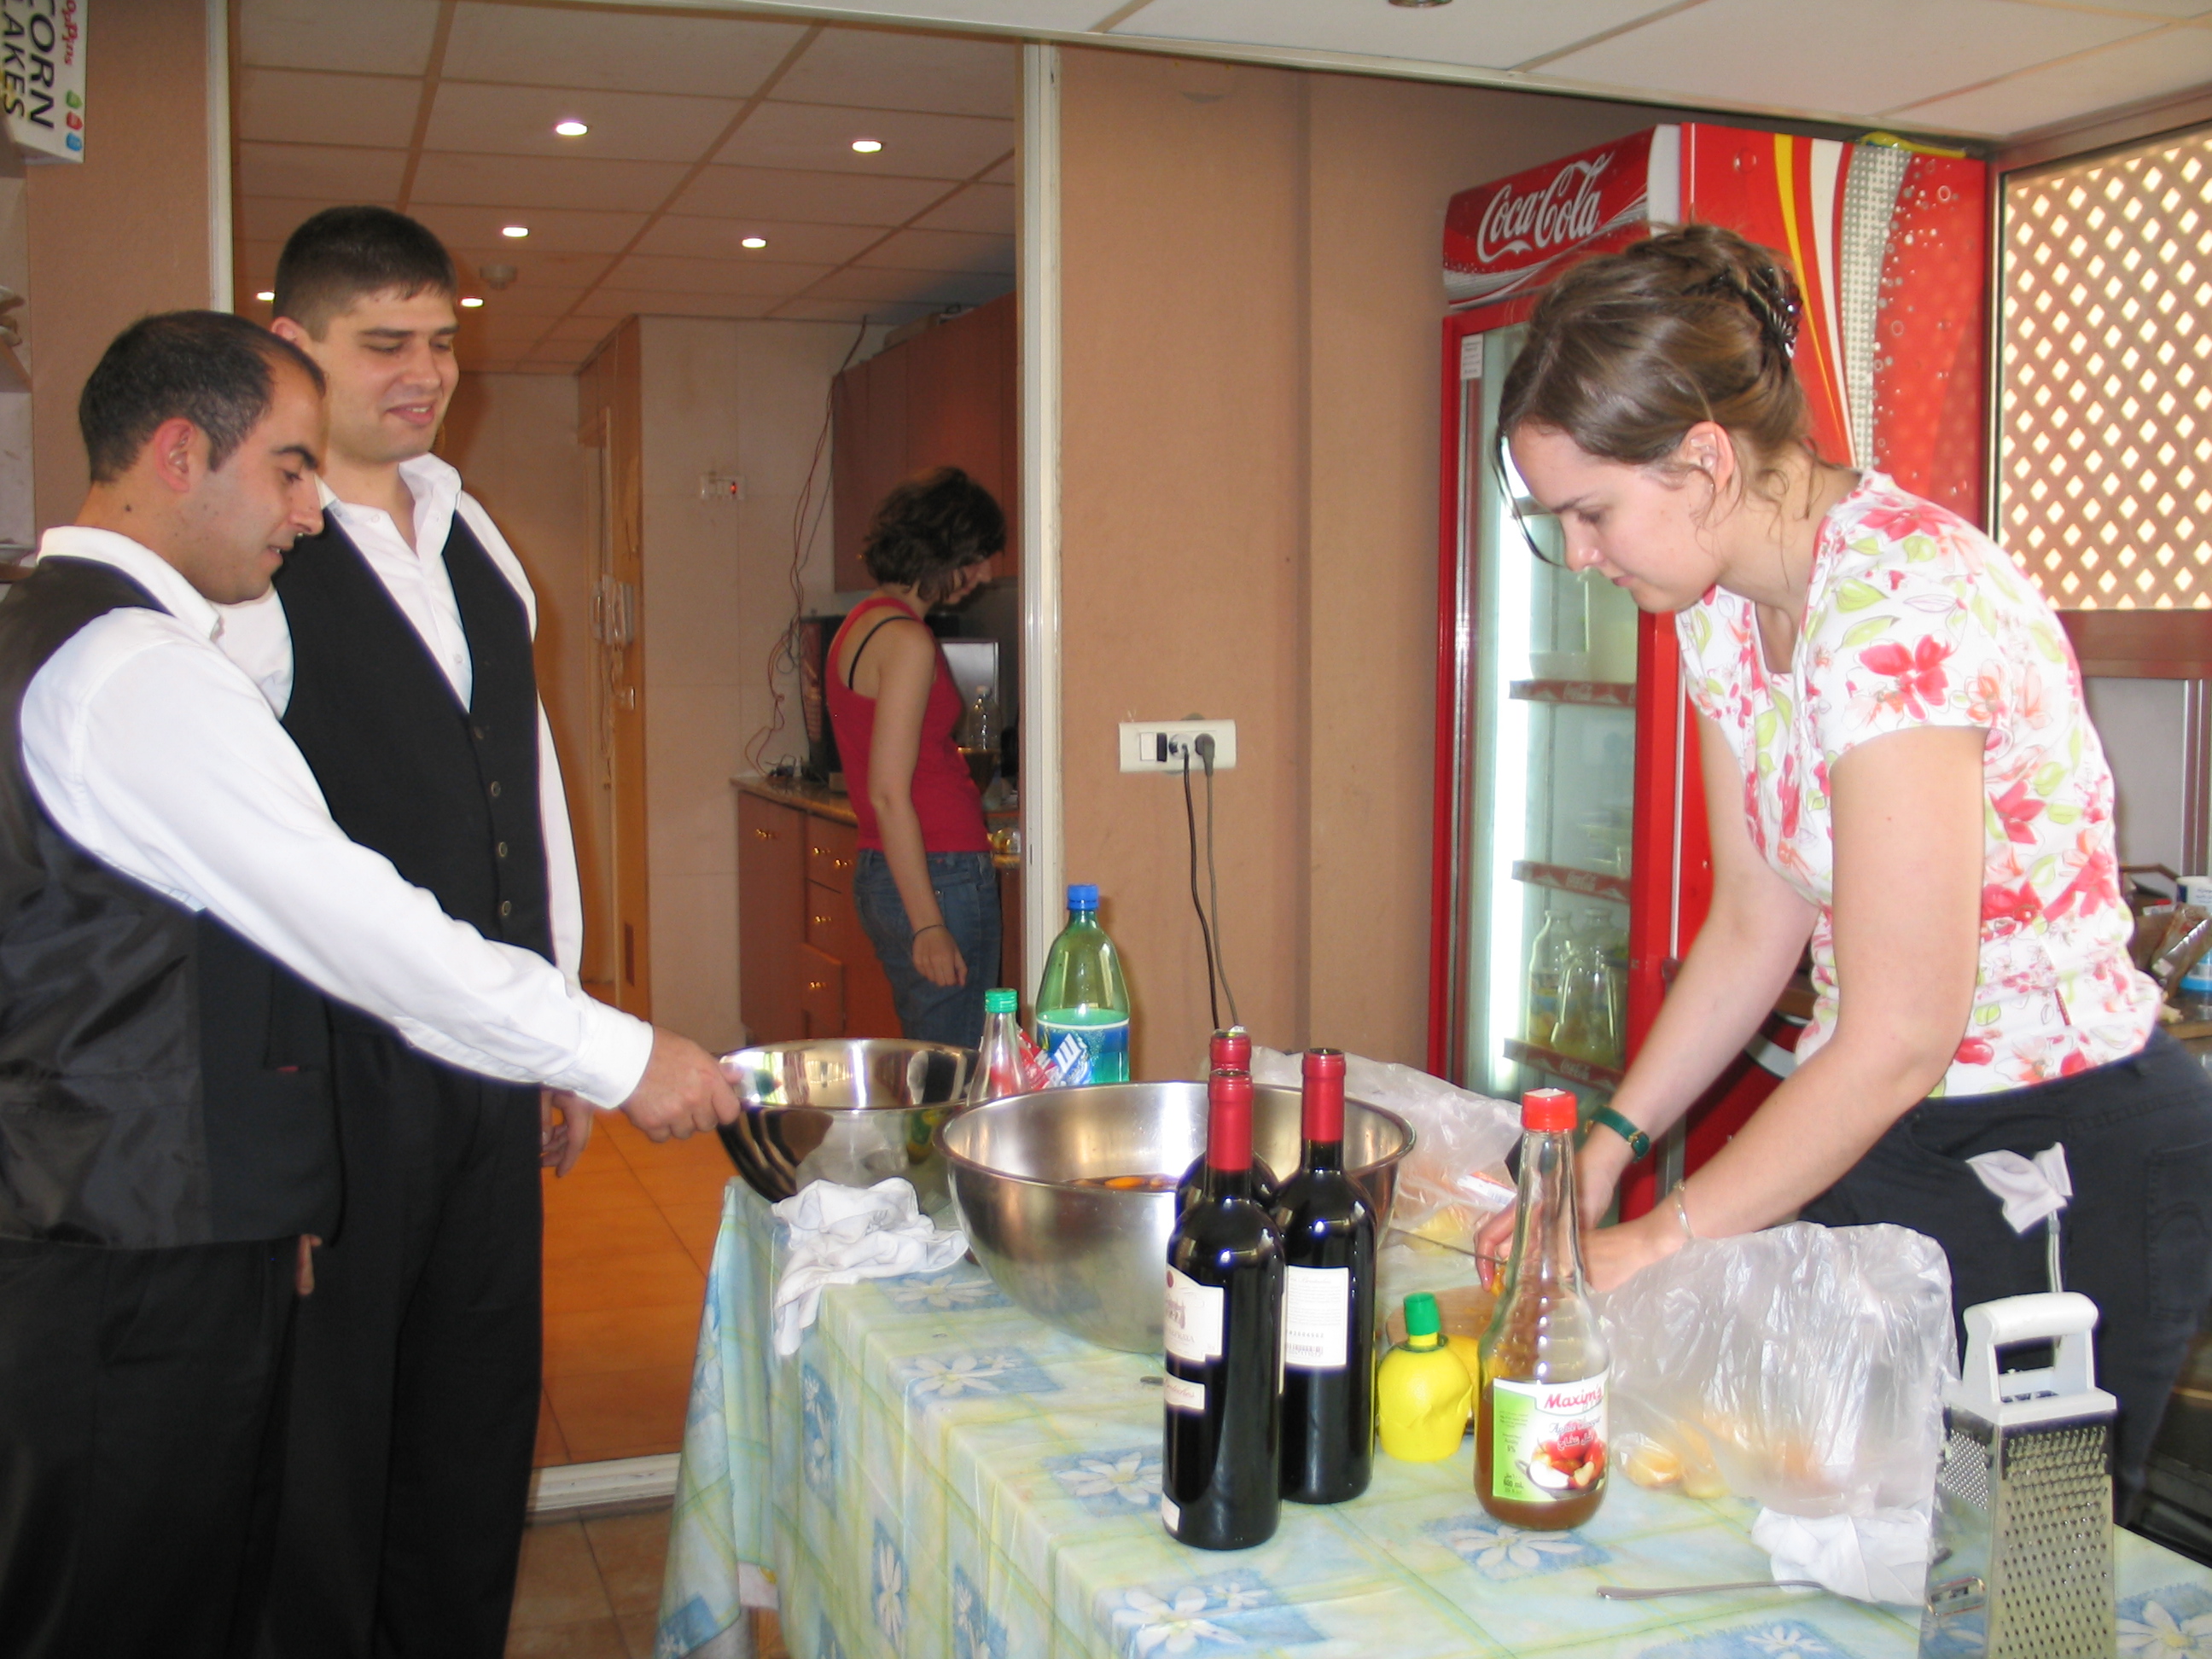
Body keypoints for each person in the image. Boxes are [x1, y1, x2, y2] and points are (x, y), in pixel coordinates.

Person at [0, 311, 735, 1659]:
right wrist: (619, 1054)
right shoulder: (135, 673)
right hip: (129, 1249)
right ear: (179, 454)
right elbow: (358, 924)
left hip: (99, 1209)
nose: (307, 510)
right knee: (135, 1601)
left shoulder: (46, 628)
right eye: (288, 470)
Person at [1475, 224, 2212, 1517]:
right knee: (1827, 1528)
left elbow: (1900, 1033)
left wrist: (1660, 1237)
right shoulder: (1720, 607)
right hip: (1890, 1127)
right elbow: (1755, 920)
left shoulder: (1898, 607)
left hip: (2061, 1143)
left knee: (2006, 1561)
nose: (1583, 555)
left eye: (1591, 513)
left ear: (1706, 461)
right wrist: (1607, 1148)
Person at [216, 205, 626, 1658]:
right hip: (337, 1070)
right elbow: (242, 867)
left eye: (442, 341)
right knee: (333, 1443)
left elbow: (532, 786)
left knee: (474, 1412)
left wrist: (557, 1031)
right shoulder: (255, 566)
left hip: (485, 1061)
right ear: (291, 344)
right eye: (384, 342)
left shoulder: (475, 530)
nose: (426, 373)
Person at [825, 466, 1005, 1047]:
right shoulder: (907, 642)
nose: (985, 573)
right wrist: (929, 923)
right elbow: (887, 792)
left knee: (934, 1060)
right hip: (939, 871)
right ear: (941, 549)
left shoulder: (859, 626)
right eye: (976, 557)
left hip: (892, 867)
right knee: (957, 1070)